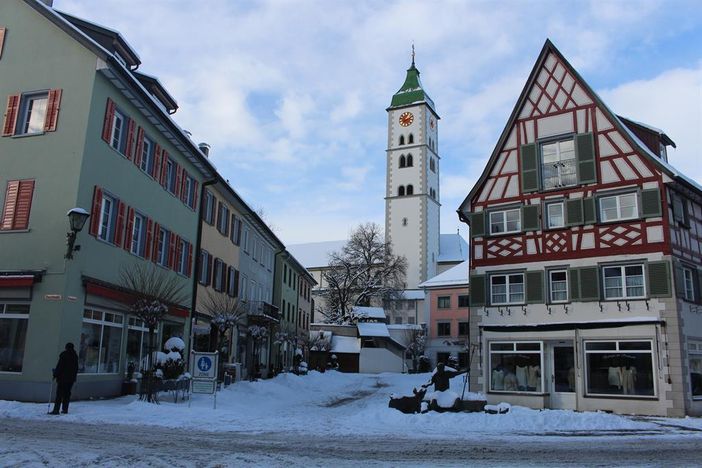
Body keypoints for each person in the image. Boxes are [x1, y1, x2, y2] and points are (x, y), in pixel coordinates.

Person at [50, 342, 79, 415]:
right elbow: (76, 368)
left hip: (62, 378)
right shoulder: (75, 356)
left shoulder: (64, 355)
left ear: (66, 347)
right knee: (67, 394)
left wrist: (55, 374)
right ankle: (65, 409)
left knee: (59, 394)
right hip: (71, 379)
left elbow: (60, 366)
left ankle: (56, 410)